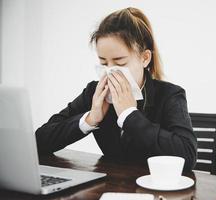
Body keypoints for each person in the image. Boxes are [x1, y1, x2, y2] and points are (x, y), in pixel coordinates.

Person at [35, 7, 197, 171]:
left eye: (120, 63)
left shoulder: (170, 95)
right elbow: (39, 141)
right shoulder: (95, 92)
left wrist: (130, 115)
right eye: (104, 63)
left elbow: (187, 157)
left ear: (145, 58)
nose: (110, 71)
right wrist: (90, 119)